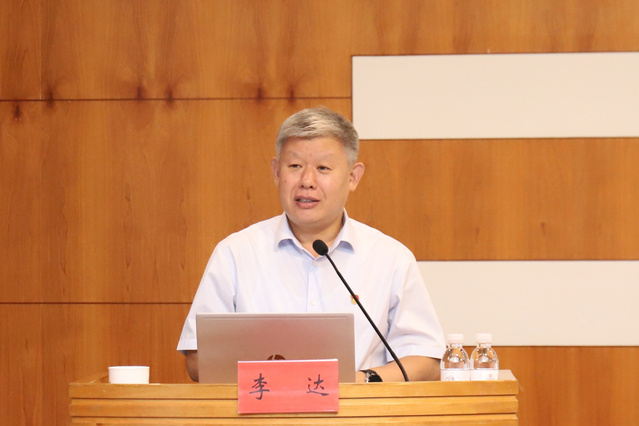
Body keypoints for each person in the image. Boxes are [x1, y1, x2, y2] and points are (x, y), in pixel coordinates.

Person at [177, 106, 445, 382]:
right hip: (261, 407)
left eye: (323, 168)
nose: (307, 181)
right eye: (294, 166)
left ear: (353, 177)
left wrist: (359, 381)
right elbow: (198, 359)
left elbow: (424, 361)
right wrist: (278, 382)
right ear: (276, 172)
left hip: (357, 408)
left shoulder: (390, 258)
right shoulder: (235, 253)